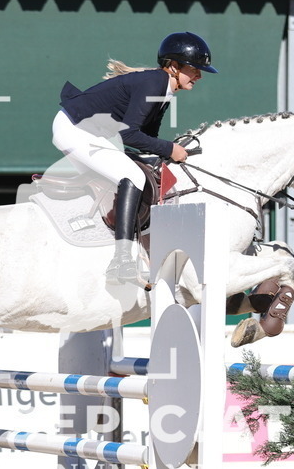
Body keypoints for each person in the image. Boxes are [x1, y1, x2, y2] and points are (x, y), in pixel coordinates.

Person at [53, 32, 217, 284]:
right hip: (75, 129)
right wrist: (169, 149)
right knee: (132, 175)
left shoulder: (163, 89)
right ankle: (121, 261)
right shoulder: (153, 83)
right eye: (194, 69)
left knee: (148, 169)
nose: (199, 75)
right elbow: (128, 134)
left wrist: (165, 152)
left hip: (92, 133)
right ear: (173, 66)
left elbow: (147, 136)